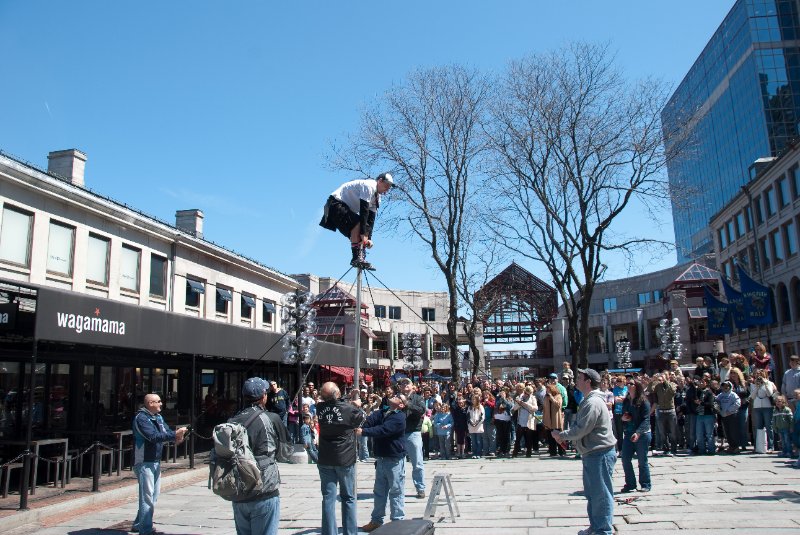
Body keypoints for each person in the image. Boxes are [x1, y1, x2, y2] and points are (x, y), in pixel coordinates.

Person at [551, 368, 617, 535]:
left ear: (588, 381)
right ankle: (595, 526)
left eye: (579, 378)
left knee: (601, 494)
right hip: (592, 453)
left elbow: (582, 428)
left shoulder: (593, 402)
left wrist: (562, 435)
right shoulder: (589, 400)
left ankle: (604, 530)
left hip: (599, 453)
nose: (577, 380)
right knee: (593, 494)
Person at [229, 377, 292, 535]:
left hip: (239, 489)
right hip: (265, 487)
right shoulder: (272, 418)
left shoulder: (232, 420)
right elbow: (286, 453)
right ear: (264, 396)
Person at [131, 393, 187, 535]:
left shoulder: (158, 417)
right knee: (147, 496)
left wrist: (175, 436)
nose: (161, 404)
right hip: (144, 461)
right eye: (158, 402)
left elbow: (166, 431)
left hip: (155, 460)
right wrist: (174, 435)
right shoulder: (141, 418)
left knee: (153, 495)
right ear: (150, 403)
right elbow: (153, 436)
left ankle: (139, 523)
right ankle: (146, 529)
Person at [315, 382, 366, 535]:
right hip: (344, 458)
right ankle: (350, 532)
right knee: (348, 497)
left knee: (328, 498)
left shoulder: (320, 408)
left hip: (325, 457)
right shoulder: (349, 409)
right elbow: (361, 418)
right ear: (337, 393)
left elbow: (333, 403)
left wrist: (348, 399)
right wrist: (356, 405)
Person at [318, 173, 394, 270]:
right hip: (335, 204)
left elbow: (371, 219)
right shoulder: (369, 186)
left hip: (345, 208)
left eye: (389, 187)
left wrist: (368, 238)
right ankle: (356, 257)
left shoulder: (377, 198)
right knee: (359, 224)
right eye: (386, 186)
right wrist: (363, 233)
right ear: (379, 181)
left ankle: (360, 256)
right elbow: (364, 211)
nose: (387, 189)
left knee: (362, 228)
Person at [356, 393, 408, 532]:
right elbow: (371, 420)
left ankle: (397, 521)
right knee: (379, 491)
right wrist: (365, 422)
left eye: (398, 397)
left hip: (394, 459)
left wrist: (364, 432)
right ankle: (376, 520)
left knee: (396, 491)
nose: (394, 396)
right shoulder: (383, 412)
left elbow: (383, 430)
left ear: (401, 404)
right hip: (381, 458)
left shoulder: (399, 417)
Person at [620, 379, 651, 493]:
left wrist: (638, 433)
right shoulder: (626, 401)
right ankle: (630, 484)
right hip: (628, 433)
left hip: (642, 435)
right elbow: (623, 414)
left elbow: (646, 420)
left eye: (631, 384)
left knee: (642, 461)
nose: (628, 385)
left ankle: (645, 484)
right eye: (627, 383)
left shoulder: (644, 402)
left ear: (637, 386)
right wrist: (623, 418)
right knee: (625, 459)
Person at [396, 377, 426, 498]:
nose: (404, 385)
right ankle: (398, 489)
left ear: (413, 386)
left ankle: (420, 488)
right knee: (398, 464)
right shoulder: (396, 398)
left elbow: (421, 410)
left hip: (413, 433)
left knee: (417, 463)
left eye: (407, 383)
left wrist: (407, 403)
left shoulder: (418, 398)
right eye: (402, 383)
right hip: (399, 433)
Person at [749, 368, 777, 452]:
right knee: (759, 426)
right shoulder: (753, 384)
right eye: (757, 374)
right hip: (757, 407)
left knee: (769, 426)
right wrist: (757, 387)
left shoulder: (769, 383)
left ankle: (771, 446)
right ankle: (760, 446)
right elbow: (752, 397)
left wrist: (764, 384)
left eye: (760, 374)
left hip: (767, 406)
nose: (758, 376)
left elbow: (769, 394)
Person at [652, 373, 678, 456]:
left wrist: (666, 382)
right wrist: (653, 381)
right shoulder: (657, 386)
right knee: (662, 432)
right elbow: (651, 390)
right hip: (661, 411)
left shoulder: (672, 384)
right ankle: (666, 449)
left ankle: (673, 449)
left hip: (670, 411)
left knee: (672, 432)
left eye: (663, 378)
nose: (661, 380)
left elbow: (672, 391)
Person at [512, 385, 538, 457]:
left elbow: (535, 408)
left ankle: (529, 452)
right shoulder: (520, 397)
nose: (527, 395)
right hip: (521, 420)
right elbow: (514, 408)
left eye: (529, 394)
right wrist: (519, 404)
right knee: (518, 438)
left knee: (529, 437)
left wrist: (526, 404)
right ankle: (515, 452)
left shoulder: (533, 398)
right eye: (526, 393)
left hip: (529, 420)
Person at [716, 381, 741, 454]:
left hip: (732, 415)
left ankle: (736, 447)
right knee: (727, 432)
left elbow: (737, 403)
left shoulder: (733, 395)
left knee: (733, 431)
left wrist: (729, 410)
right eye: (724, 386)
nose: (725, 387)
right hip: (724, 416)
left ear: (730, 387)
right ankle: (731, 446)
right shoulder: (720, 395)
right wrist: (719, 410)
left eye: (727, 386)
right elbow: (715, 402)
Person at [542, 383, 565, 457]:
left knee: (558, 436)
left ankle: (561, 451)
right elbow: (544, 409)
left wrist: (551, 397)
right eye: (546, 390)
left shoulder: (558, 396)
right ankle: (552, 452)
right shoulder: (545, 397)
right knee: (550, 436)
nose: (547, 391)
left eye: (548, 389)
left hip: (556, 419)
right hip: (548, 420)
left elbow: (558, 405)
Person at [467, 394, 485, 458]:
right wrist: (471, 423)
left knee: (478, 441)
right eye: (472, 399)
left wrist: (477, 423)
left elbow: (482, 417)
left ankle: (479, 453)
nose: (473, 400)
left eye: (474, 399)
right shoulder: (470, 407)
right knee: (473, 441)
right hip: (472, 427)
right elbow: (468, 416)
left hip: (478, 426)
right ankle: (474, 453)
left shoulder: (480, 407)